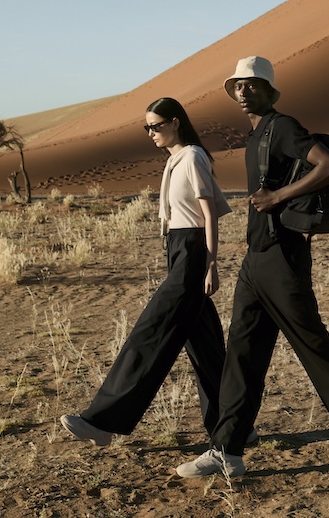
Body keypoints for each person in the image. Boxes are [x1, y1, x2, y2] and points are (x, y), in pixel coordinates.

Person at [176, 56, 329, 478]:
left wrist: (278, 197)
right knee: (242, 352)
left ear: (270, 91)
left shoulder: (283, 127)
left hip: (283, 256)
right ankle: (227, 448)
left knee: (311, 344)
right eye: (238, 86)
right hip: (256, 258)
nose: (243, 92)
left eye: (252, 85)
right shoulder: (256, 134)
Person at [60, 97, 232, 447]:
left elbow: (209, 214)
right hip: (178, 249)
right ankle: (234, 425)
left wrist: (211, 263)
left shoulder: (193, 157)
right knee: (206, 348)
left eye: (156, 125)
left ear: (175, 122)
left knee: (150, 334)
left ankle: (103, 422)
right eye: (147, 127)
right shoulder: (174, 160)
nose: (151, 132)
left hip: (192, 252)